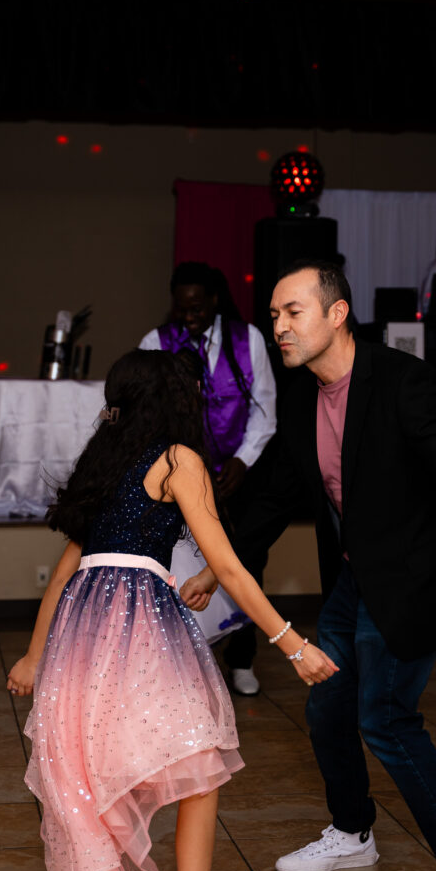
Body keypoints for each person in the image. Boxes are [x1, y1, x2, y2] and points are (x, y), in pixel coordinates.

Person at [182, 260, 436, 871]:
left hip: (412, 580)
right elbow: (274, 498)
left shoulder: (403, 383)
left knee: (387, 719)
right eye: (274, 316)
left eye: (293, 312)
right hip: (354, 579)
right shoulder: (302, 398)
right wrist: (217, 571)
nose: (280, 327)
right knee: (327, 705)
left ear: (336, 313)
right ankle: (352, 832)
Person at [6, 349, 336, 871]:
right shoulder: (179, 459)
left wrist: (33, 654)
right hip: (138, 623)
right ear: (175, 400)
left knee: (92, 761)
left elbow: (66, 571)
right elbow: (231, 566)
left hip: (81, 629)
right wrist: (292, 643)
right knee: (198, 765)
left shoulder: (104, 460)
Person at [140, 262, 277, 696]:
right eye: (182, 307)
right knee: (181, 567)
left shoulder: (248, 338)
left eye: (197, 307)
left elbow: (265, 410)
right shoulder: (156, 342)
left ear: (215, 301)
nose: (189, 316)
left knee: (244, 563)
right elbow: (146, 414)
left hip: (238, 476)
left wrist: (242, 460)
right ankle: (184, 663)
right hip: (180, 478)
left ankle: (242, 659)